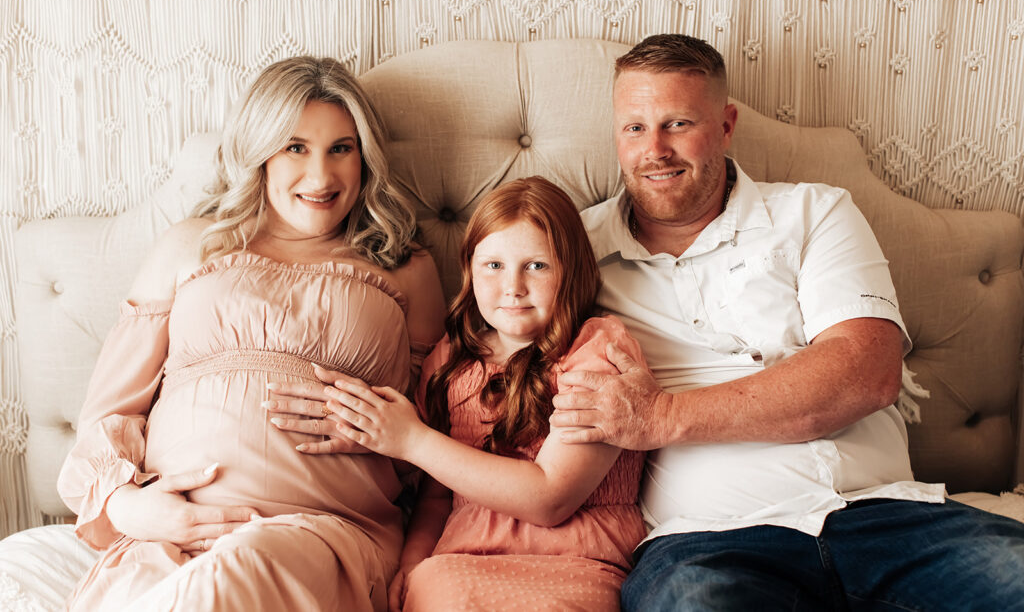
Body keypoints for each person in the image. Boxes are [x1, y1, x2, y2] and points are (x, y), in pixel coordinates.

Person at [549, 34, 1024, 611]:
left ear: (726, 126)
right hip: (708, 541)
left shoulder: (814, 211)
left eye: (677, 124)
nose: (655, 149)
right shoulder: (573, 249)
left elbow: (867, 372)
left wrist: (660, 416)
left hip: (885, 516)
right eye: (634, 128)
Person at [56, 56, 446, 611]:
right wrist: (129, 508)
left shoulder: (405, 268)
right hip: (173, 533)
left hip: (322, 535)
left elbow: (437, 443)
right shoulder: (190, 245)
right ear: (259, 152)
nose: (321, 177)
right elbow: (107, 416)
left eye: (342, 148)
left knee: (234, 573)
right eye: (295, 147)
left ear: (365, 158)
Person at [290, 176, 648, 611]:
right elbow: (437, 496)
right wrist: (412, 564)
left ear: (571, 271)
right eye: (493, 266)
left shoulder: (597, 351)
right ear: (469, 269)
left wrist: (412, 440)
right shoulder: (451, 361)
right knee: (435, 587)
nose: (513, 287)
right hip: (460, 562)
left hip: (574, 563)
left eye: (537, 266)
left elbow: (550, 498)